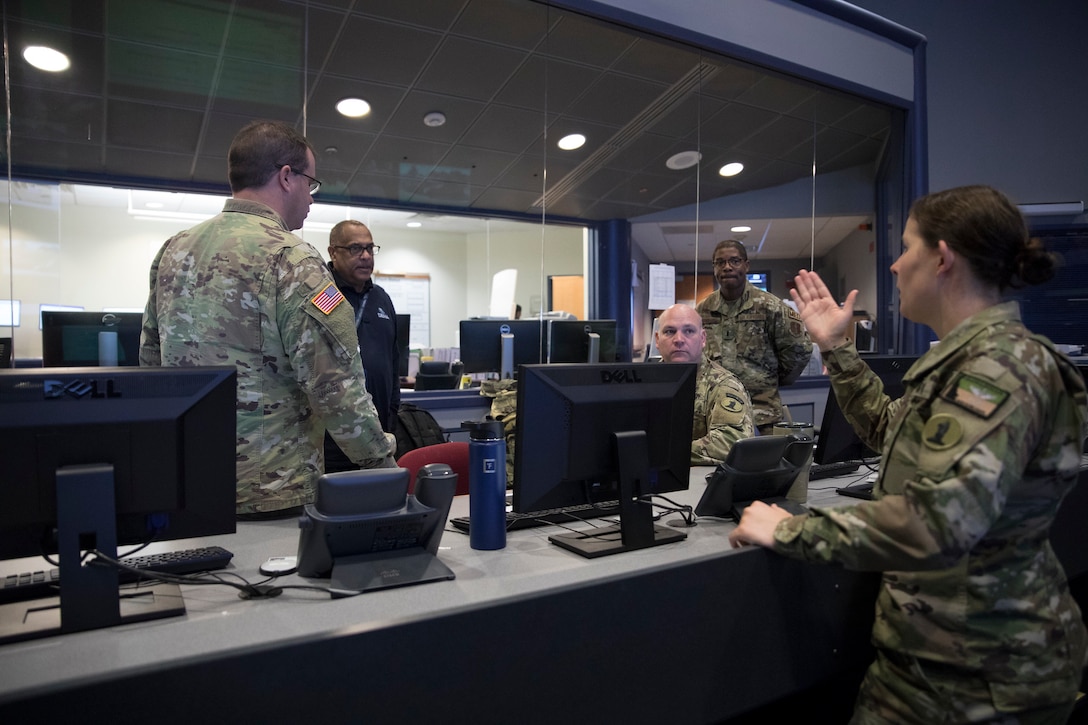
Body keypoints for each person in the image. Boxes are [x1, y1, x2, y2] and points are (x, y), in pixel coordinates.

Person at [728, 185, 1088, 723]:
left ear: (942, 258)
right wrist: (834, 346)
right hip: (933, 664)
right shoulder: (962, 363)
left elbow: (937, 524)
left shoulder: (999, 369)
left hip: (980, 678)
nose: (893, 265)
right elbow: (883, 426)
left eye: (905, 247)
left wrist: (787, 530)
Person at [140, 120, 395, 518]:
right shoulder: (292, 258)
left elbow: (152, 365)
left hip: (194, 481)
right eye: (311, 184)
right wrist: (382, 466)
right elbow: (335, 386)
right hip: (273, 490)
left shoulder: (173, 251)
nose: (311, 199)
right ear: (286, 177)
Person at [696, 239, 812, 434]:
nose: (727, 267)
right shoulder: (703, 310)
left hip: (762, 414)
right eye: (720, 262)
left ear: (746, 265)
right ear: (714, 267)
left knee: (765, 463)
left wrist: (771, 380)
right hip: (715, 417)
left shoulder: (770, 307)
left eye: (734, 261)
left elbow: (799, 350)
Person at [323, 220, 401, 473]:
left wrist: (392, 413)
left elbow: (392, 360)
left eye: (370, 248)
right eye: (356, 249)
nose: (366, 256)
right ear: (333, 252)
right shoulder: (320, 294)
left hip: (378, 436)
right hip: (331, 441)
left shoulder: (381, 298)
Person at [655, 304, 754, 465]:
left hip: (701, 482)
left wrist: (660, 453)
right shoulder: (644, 382)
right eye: (669, 331)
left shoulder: (724, 386)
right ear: (658, 340)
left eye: (688, 331)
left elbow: (730, 443)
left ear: (702, 339)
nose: (679, 339)